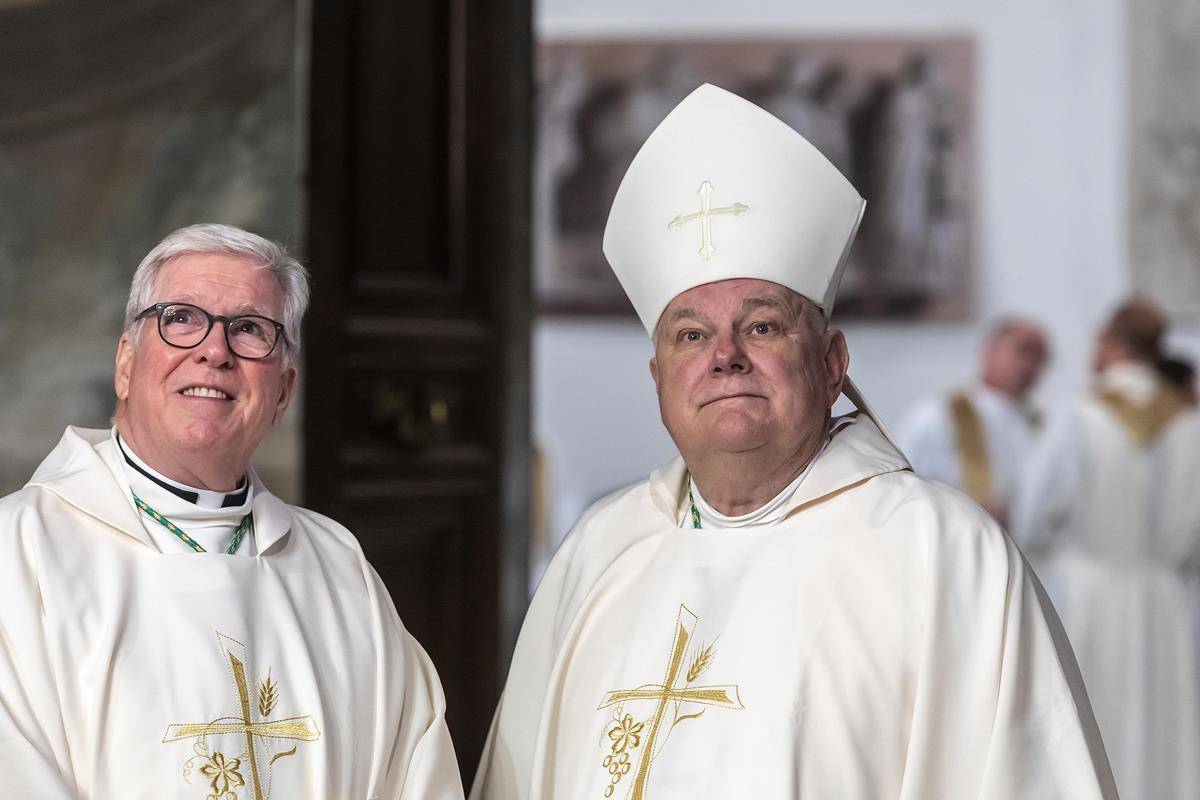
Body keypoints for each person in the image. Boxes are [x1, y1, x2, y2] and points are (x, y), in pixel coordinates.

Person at [471, 84, 1115, 799]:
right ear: (659, 379)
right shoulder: (599, 552)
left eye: (764, 325)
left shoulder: (943, 553)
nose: (726, 355)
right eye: (691, 335)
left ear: (834, 363)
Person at [0, 224, 465, 799]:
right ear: (125, 363)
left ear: (283, 391)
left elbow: (414, 773)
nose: (213, 351)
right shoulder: (18, 555)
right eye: (181, 318)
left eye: (249, 329)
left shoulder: (340, 569)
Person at [1012, 297, 1200, 799]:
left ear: (1110, 343)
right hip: (1164, 598)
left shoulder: (1080, 414)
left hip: (1088, 592)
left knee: (1092, 724)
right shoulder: (1189, 425)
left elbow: (1033, 512)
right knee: (1159, 730)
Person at [898, 318, 1049, 526]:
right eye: (1024, 351)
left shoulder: (1041, 427)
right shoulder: (937, 416)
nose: (1030, 365)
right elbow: (904, 487)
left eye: (1040, 358)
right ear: (990, 350)